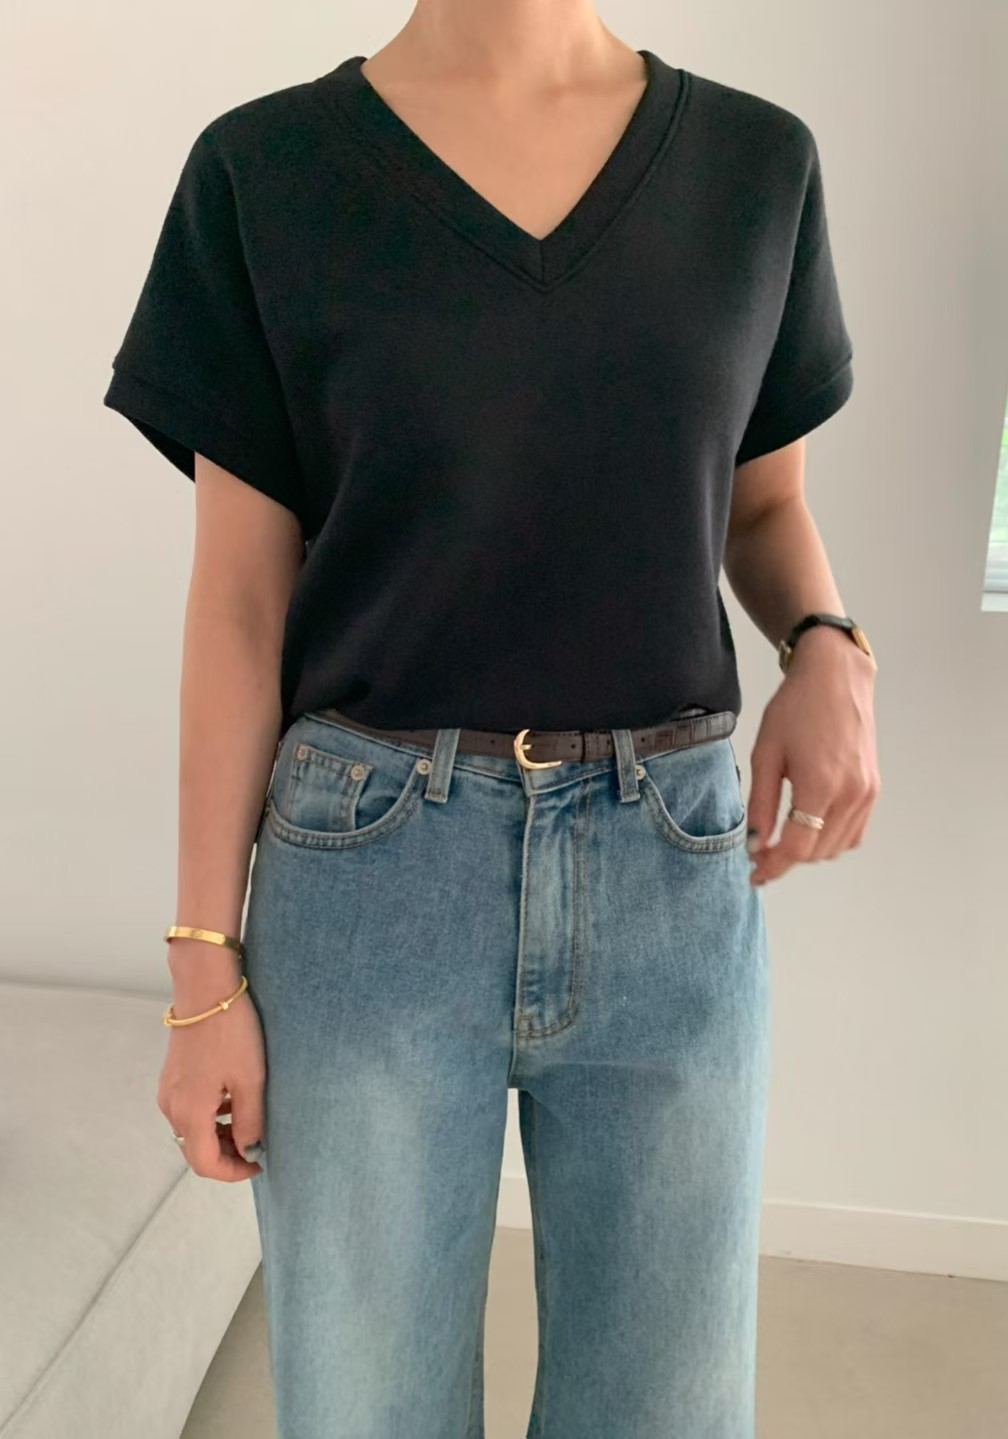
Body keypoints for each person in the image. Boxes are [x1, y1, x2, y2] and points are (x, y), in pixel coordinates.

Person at [102, 5, 880, 1436]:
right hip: (368, 877)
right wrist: (203, 971)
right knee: (366, 1408)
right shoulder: (264, 175)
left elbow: (765, 504)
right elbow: (239, 606)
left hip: (670, 872)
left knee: (666, 1410)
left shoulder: (756, 167)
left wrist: (827, 645)